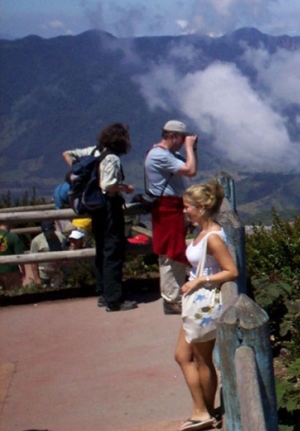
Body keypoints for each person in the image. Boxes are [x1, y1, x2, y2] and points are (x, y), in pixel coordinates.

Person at [174, 178, 237, 431]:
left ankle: (203, 411)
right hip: (196, 304)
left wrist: (201, 279)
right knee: (184, 356)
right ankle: (203, 409)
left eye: (187, 207)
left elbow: (231, 270)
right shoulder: (202, 231)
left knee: (200, 359)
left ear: (201, 208)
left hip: (203, 306)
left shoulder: (212, 238)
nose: (184, 211)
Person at [63, 122, 137, 311]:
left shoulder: (95, 151)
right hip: (109, 206)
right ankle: (114, 299)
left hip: (95, 207)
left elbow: (68, 154)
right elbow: (108, 185)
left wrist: (83, 175)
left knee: (102, 249)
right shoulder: (112, 158)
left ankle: (103, 292)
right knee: (113, 251)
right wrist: (125, 188)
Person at [145, 120, 198, 314]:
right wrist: (189, 148)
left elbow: (190, 171)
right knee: (170, 253)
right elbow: (191, 170)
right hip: (166, 208)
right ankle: (170, 299)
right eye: (182, 139)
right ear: (173, 136)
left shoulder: (168, 155)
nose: (184, 142)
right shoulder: (159, 155)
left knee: (175, 252)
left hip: (171, 207)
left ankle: (175, 296)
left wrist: (192, 150)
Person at [27, 221, 67, 287]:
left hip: (59, 272)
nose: (49, 235)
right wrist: (36, 278)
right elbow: (33, 261)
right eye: (47, 233)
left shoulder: (61, 237)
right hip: (44, 274)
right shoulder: (36, 241)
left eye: (50, 232)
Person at [0, 220, 27, 291]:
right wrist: (23, 269)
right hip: (11, 270)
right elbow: (19, 256)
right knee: (15, 291)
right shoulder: (13, 236)